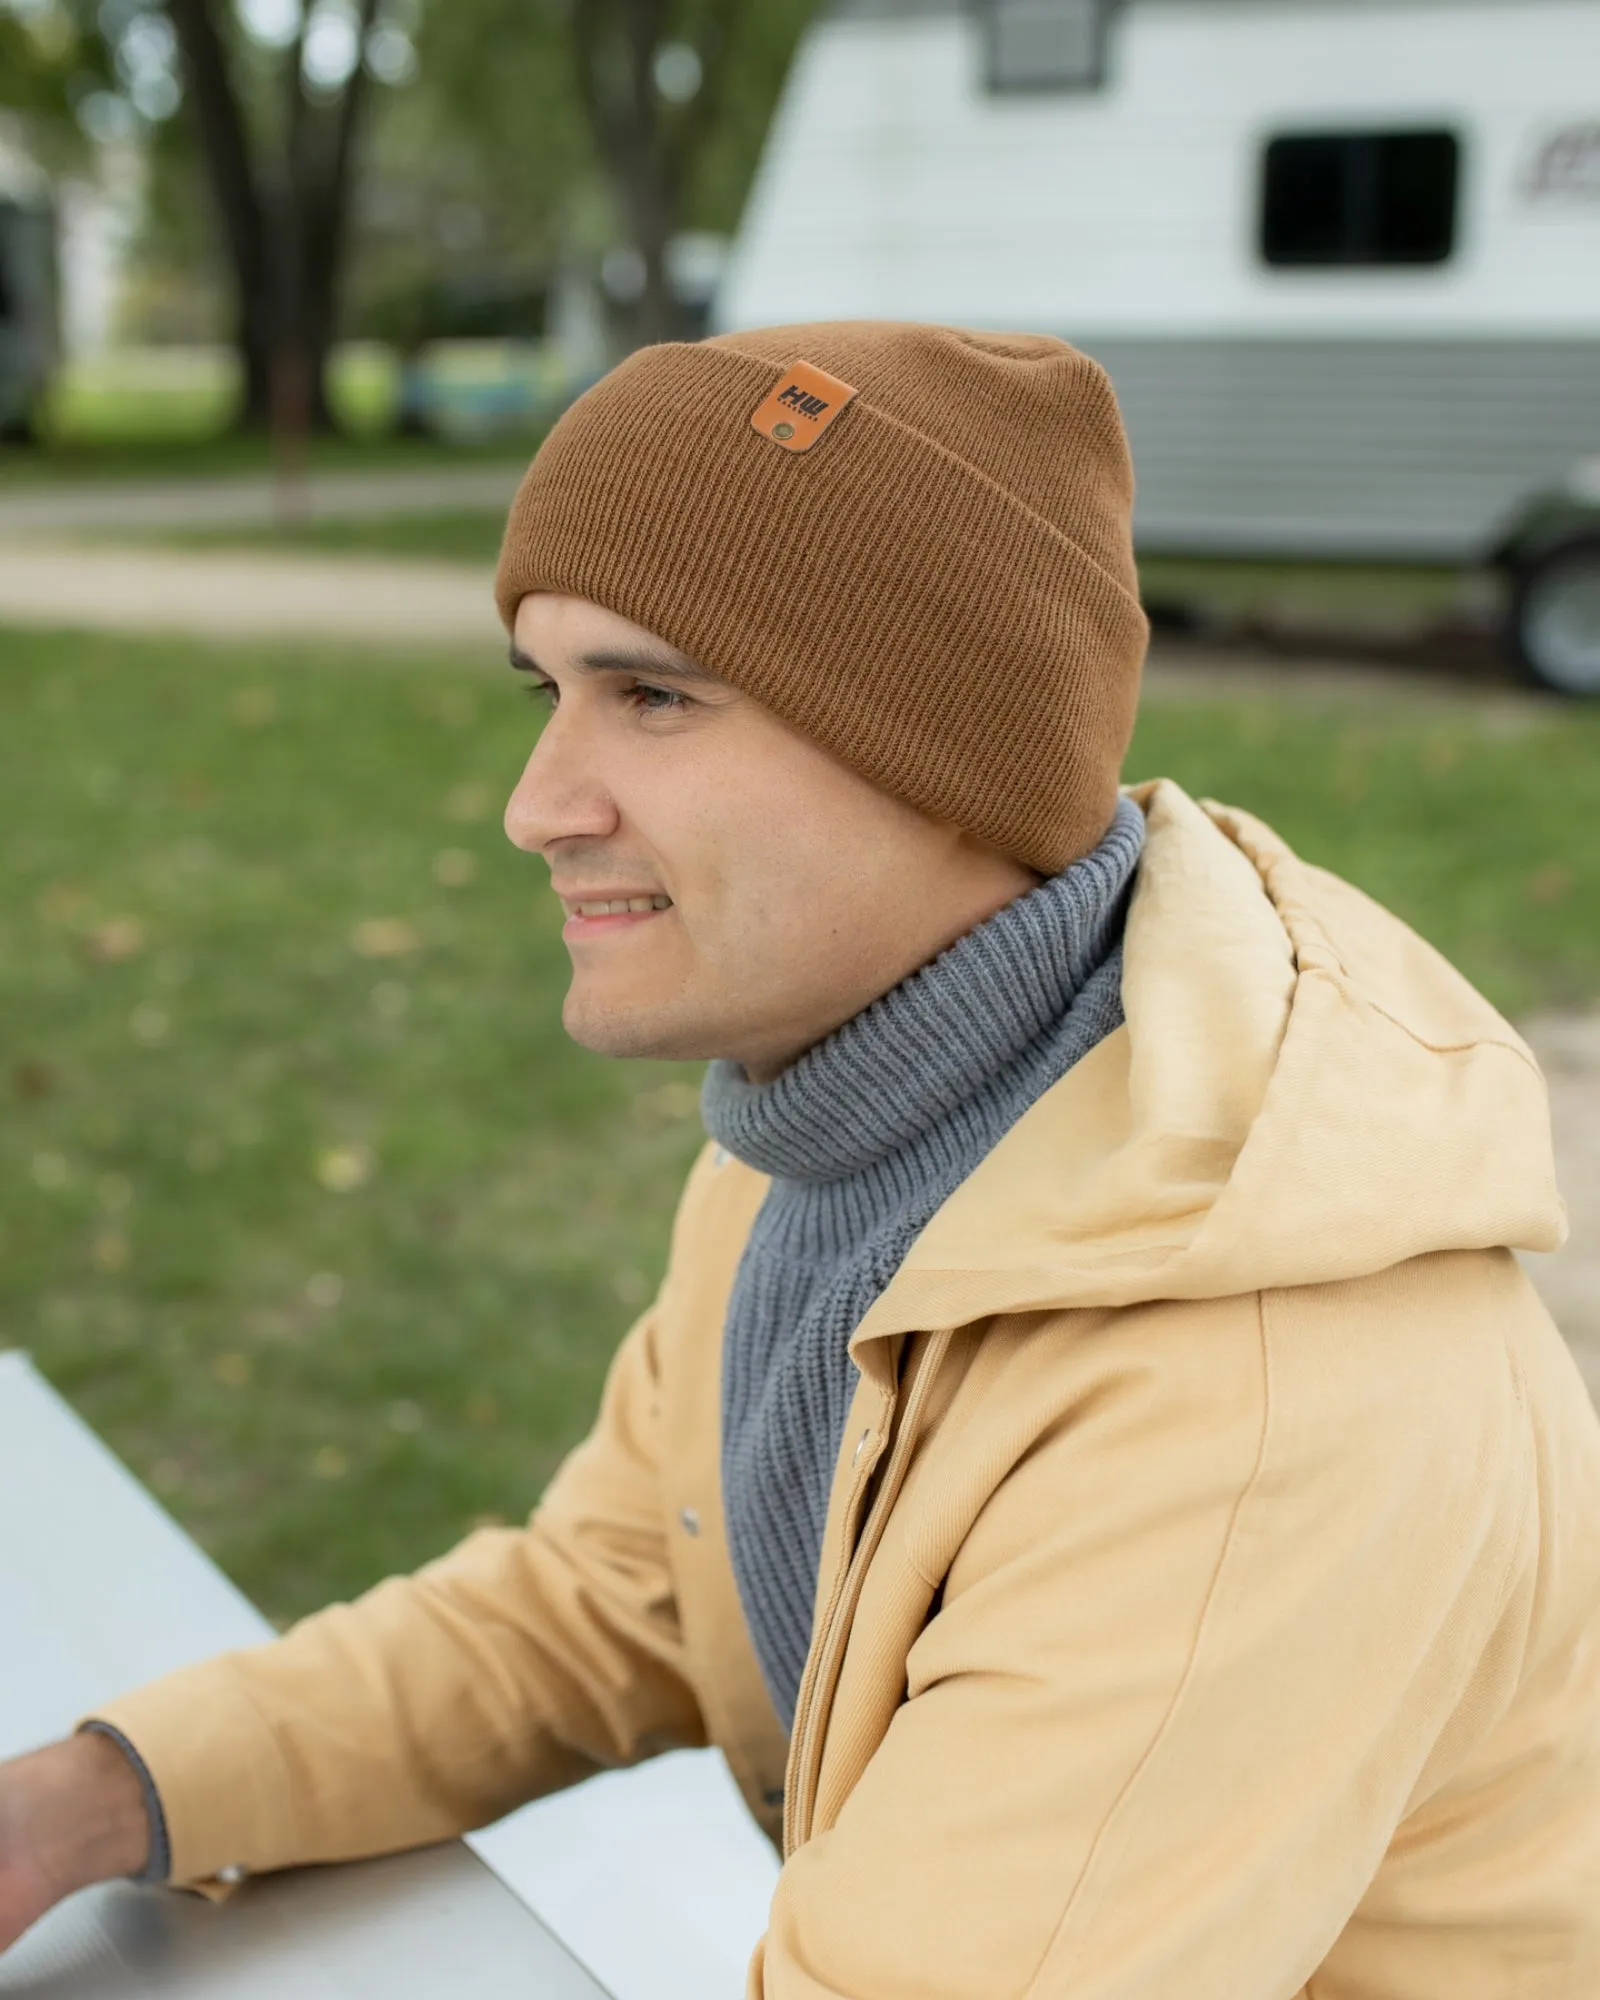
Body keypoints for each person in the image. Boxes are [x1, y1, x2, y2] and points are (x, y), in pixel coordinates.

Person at [3, 322, 1598, 1998]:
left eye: (653, 699)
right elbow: (612, 1592)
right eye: (550, 692)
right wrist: (80, 1804)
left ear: (949, 756)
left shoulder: (1254, 1405)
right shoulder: (842, 1130)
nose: (535, 804)